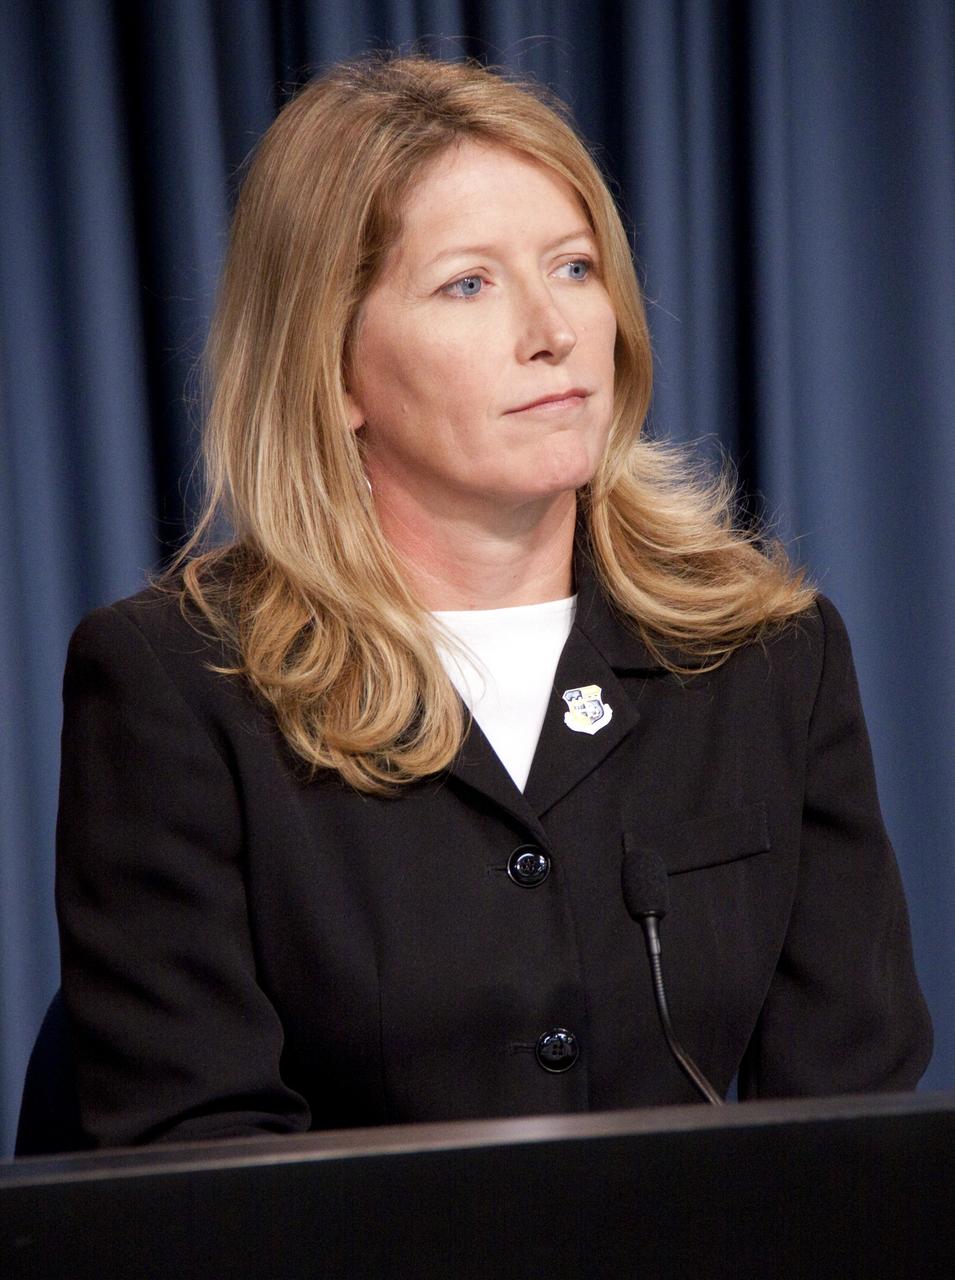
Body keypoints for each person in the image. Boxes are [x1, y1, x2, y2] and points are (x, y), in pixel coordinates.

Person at [55, 54, 931, 1149]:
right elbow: (196, 1163)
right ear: (330, 370)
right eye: (468, 283)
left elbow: (854, 1126)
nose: (551, 329)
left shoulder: (764, 655)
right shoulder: (179, 687)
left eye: (572, 267)